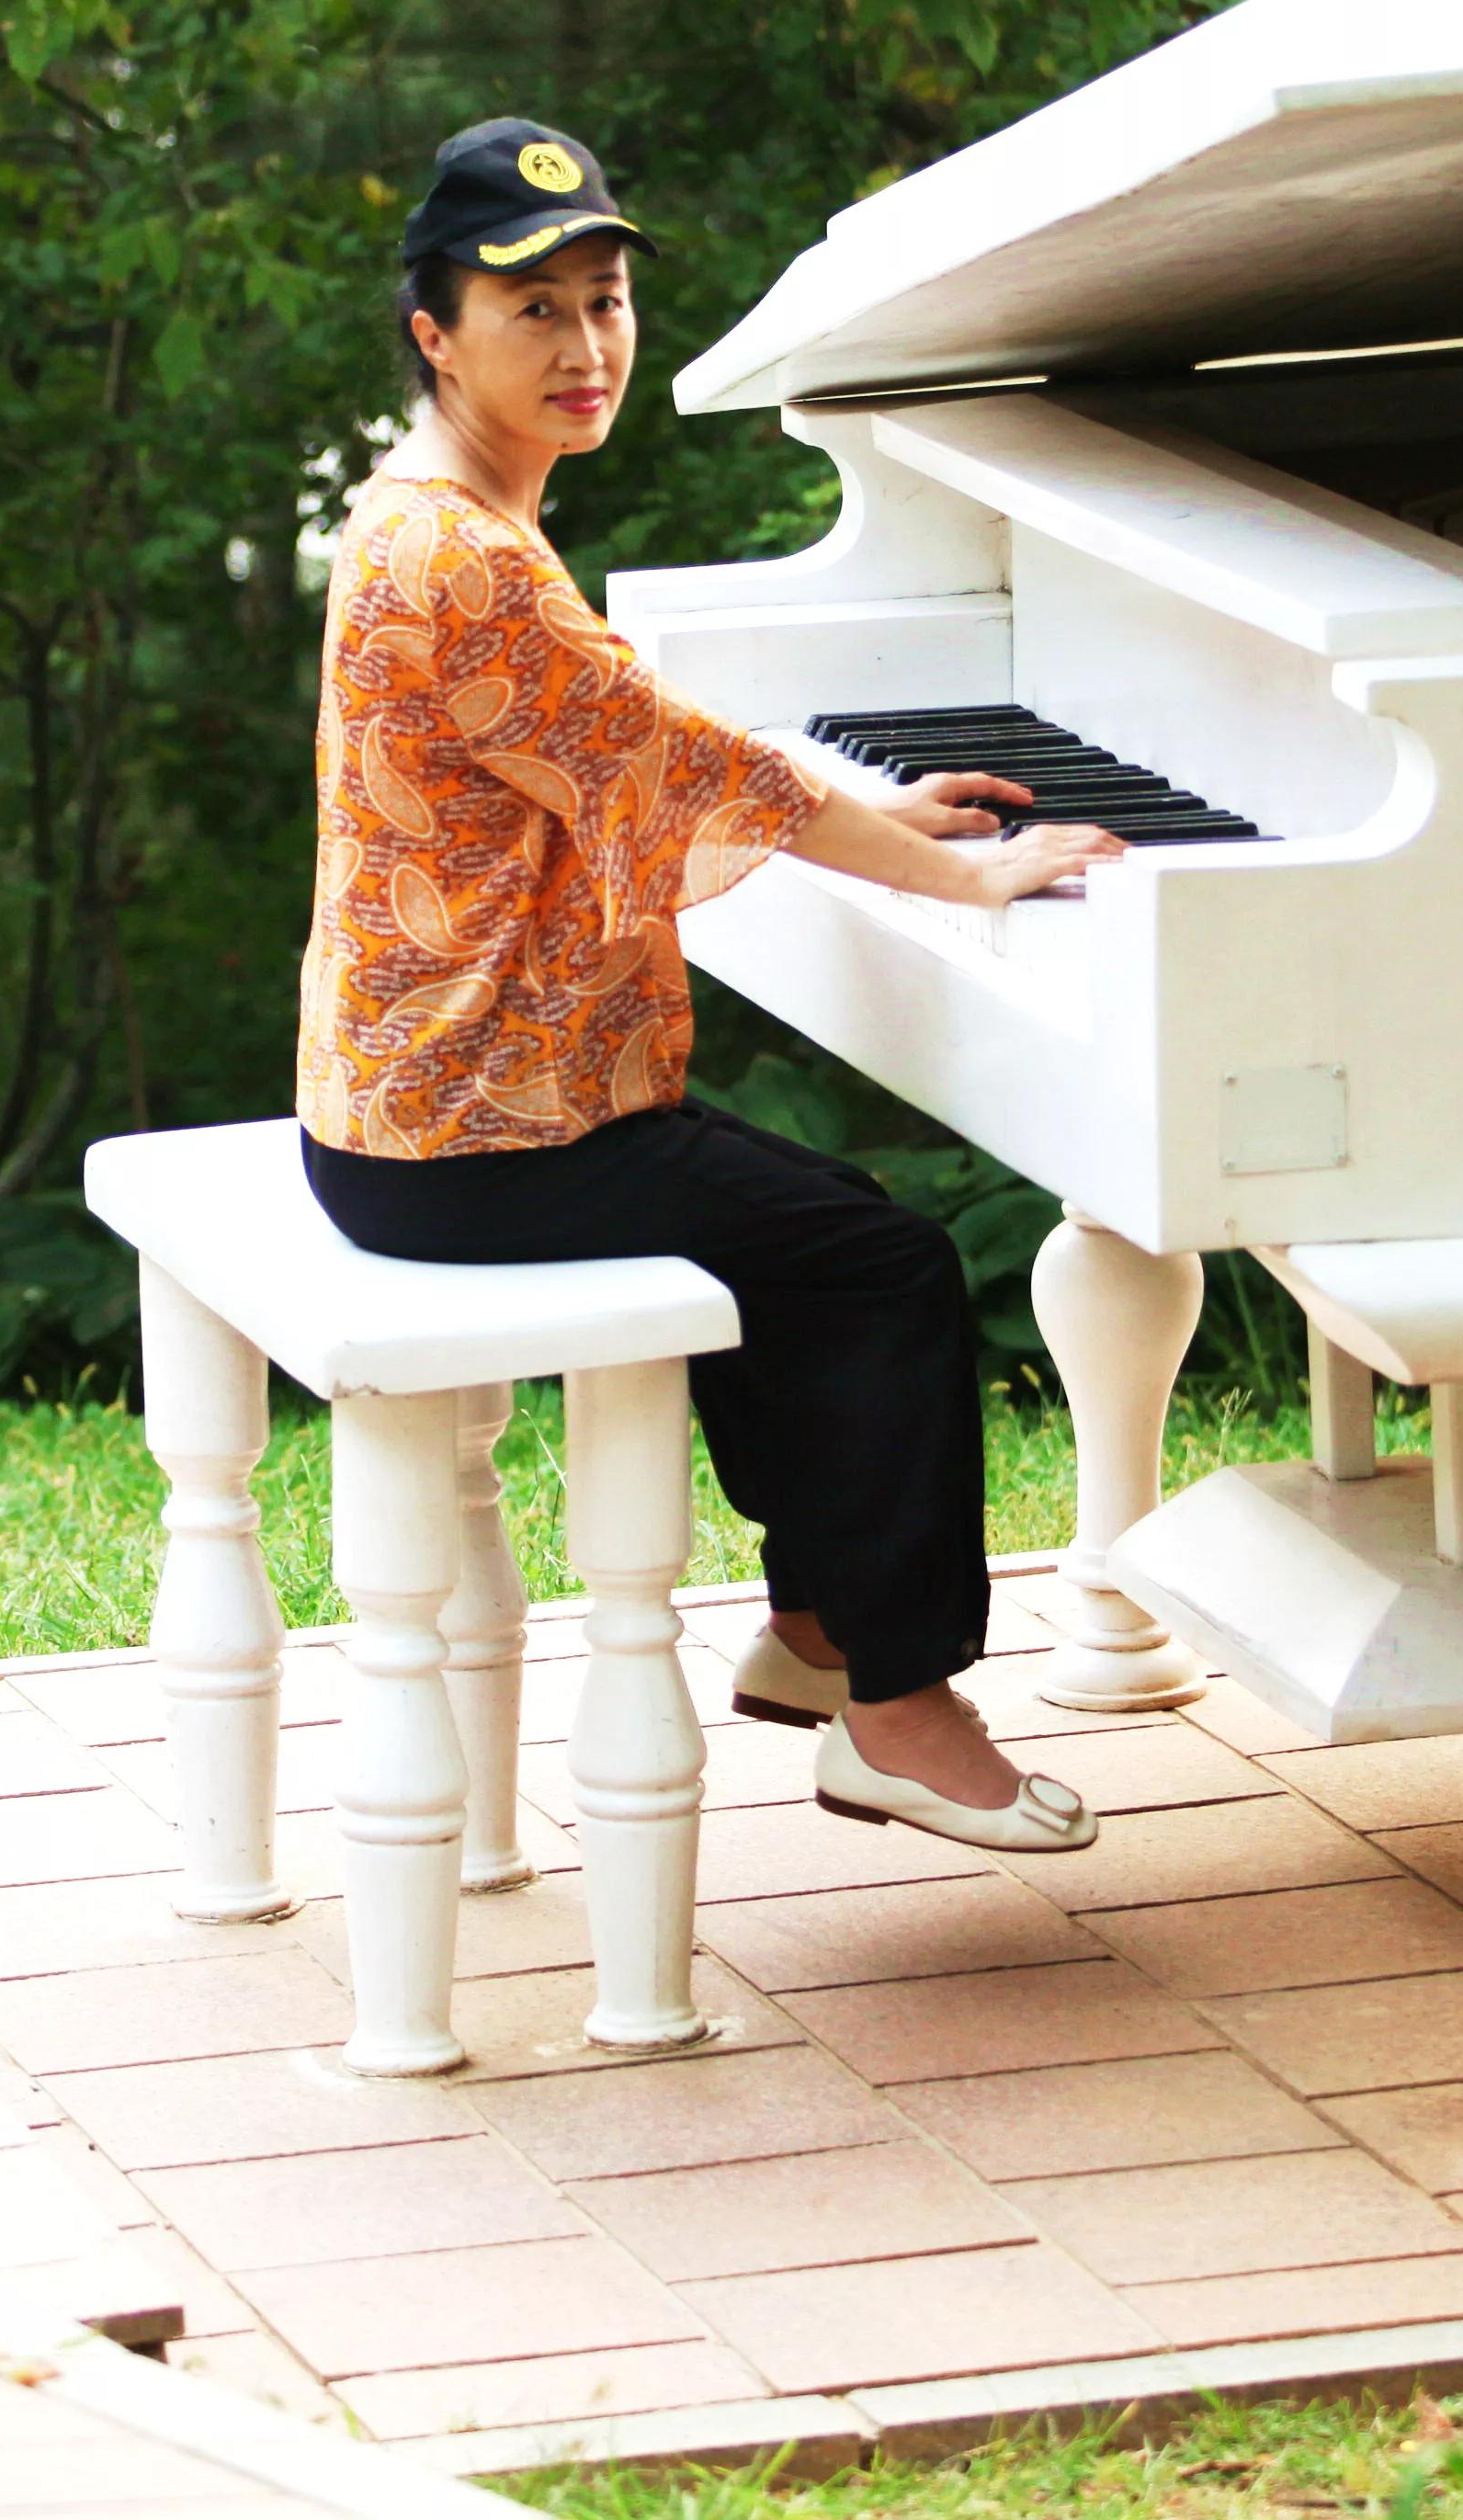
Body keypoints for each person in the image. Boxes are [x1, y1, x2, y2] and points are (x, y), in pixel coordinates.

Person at [298, 116, 1124, 1850]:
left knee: (786, 1221)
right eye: (535, 313)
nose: (588, 347)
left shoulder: (420, 517)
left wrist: (859, 810)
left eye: (606, 303)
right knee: (878, 1264)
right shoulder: (468, 565)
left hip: (428, 1104)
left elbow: (637, 760)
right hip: (474, 1139)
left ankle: (820, 1634)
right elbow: (686, 771)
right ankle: (897, 1706)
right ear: (437, 332)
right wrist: (959, 870)